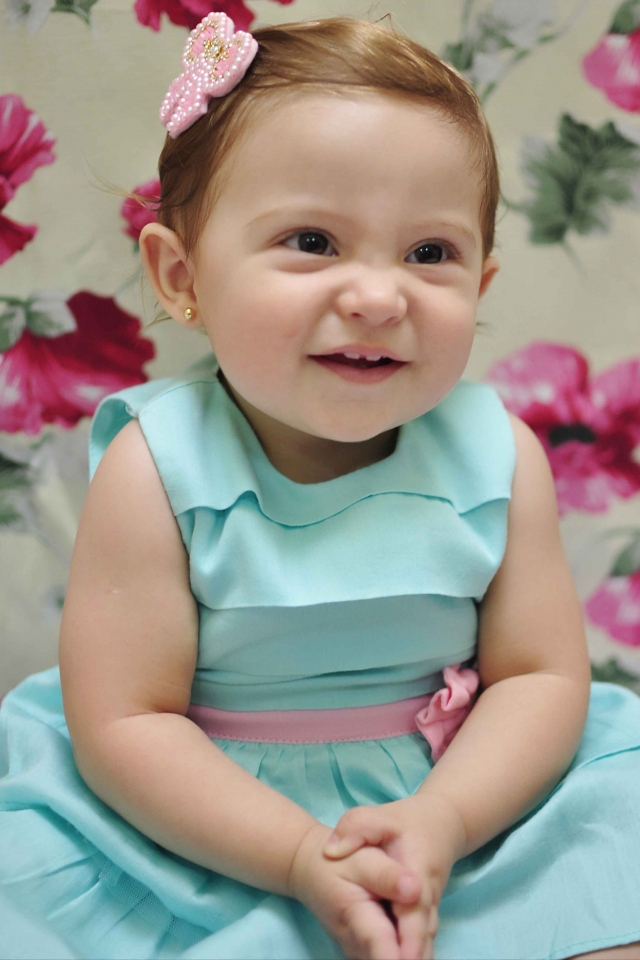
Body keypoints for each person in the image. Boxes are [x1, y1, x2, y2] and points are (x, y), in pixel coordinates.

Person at [1, 12, 640, 960]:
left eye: (431, 254)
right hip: (200, 816)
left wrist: (446, 820)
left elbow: (540, 679)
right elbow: (128, 723)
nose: (379, 297)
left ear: (482, 283)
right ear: (181, 274)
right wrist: (303, 855)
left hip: (461, 796)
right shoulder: (159, 466)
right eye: (312, 240)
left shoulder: (498, 456)